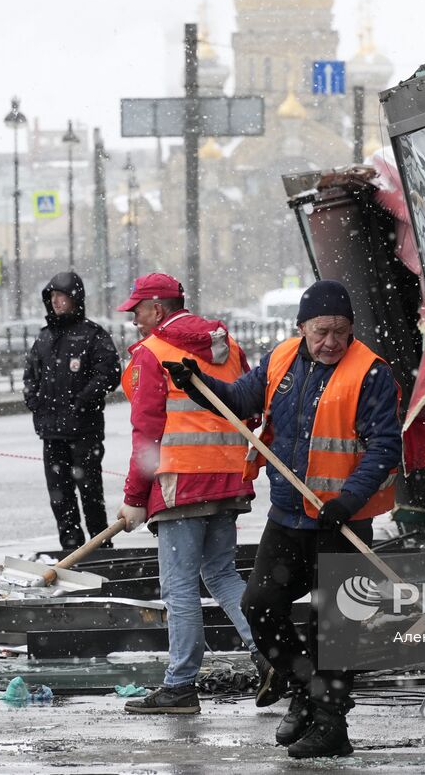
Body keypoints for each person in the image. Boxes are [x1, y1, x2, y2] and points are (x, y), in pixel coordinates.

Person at [166, 279, 402, 758]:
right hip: (290, 515)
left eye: (340, 332)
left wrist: (348, 501)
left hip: (341, 522)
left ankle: (331, 727)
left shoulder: (371, 373)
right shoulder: (282, 359)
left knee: (332, 626)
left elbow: (384, 448)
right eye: (321, 331)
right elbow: (239, 400)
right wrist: (197, 383)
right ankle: (307, 691)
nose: (330, 342)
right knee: (259, 604)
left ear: (352, 330)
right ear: (302, 328)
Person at [113, 272, 264, 716]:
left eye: (138, 312)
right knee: (220, 574)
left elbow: (147, 433)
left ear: (157, 309)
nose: (134, 321)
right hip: (227, 477)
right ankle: (271, 656)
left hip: (180, 482)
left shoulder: (152, 353)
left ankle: (179, 686)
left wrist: (135, 497)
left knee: (178, 586)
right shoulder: (229, 346)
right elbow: (250, 402)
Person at [23, 270, 121, 551]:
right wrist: (35, 401)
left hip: (84, 431)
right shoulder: (44, 338)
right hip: (51, 433)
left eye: (61, 296)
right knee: (60, 498)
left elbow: (110, 373)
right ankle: (71, 550)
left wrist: (83, 400)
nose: (55, 302)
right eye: (52, 296)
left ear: (74, 299)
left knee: (91, 494)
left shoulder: (92, 335)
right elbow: (30, 375)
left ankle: (100, 547)